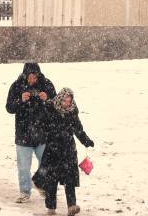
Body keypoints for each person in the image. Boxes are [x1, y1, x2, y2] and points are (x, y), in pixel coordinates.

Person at [33, 88, 94, 216]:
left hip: (68, 150)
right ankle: (51, 209)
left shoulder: (72, 111)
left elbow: (78, 129)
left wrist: (86, 141)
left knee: (69, 179)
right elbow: (40, 125)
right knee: (52, 180)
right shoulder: (50, 108)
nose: (67, 103)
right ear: (60, 99)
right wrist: (41, 135)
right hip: (52, 150)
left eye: (69, 101)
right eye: (65, 100)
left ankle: (71, 206)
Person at [6, 63, 56, 203]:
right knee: (23, 167)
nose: (32, 80)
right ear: (25, 76)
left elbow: (58, 106)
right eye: (30, 77)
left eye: (35, 77)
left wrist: (48, 99)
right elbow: (9, 107)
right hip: (23, 134)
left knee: (46, 164)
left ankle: (42, 186)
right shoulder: (16, 86)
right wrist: (20, 100)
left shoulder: (47, 84)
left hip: (44, 133)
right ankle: (24, 191)